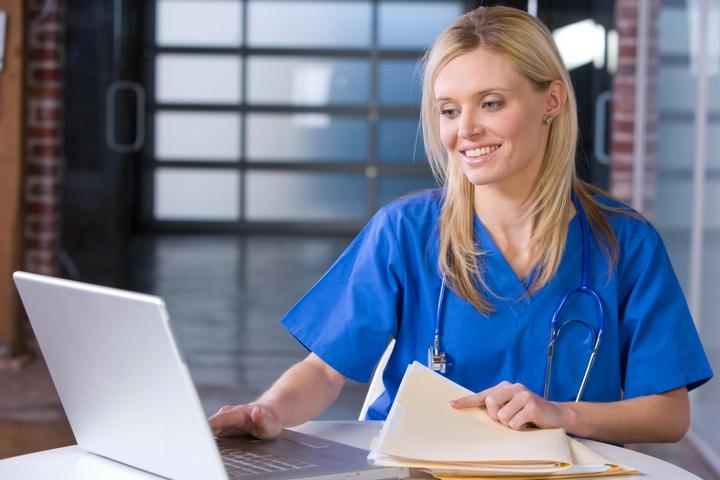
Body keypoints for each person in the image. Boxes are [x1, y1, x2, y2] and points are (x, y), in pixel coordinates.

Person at [209, 6, 712, 445]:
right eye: (449, 110)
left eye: (491, 103)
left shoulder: (624, 243)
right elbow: (323, 370)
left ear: (552, 102)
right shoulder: (405, 231)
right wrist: (267, 412)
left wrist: (560, 414)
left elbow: (668, 414)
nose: (465, 130)